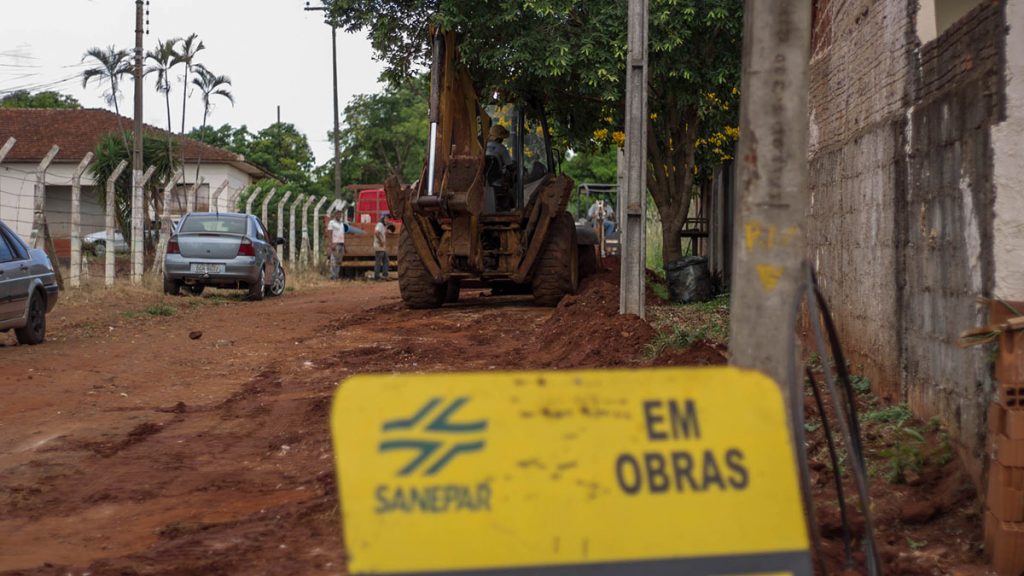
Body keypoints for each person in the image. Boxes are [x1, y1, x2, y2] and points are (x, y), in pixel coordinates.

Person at [327, 209, 345, 280]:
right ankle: (333, 275)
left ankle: (336, 275)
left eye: (340, 214)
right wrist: (331, 243)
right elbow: (329, 233)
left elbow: (342, 234)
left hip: (341, 243)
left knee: (339, 261)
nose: (339, 215)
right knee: (333, 260)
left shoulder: (341, 224)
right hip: (335, 244)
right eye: (338, 214)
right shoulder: (332, 223)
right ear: (335, 215)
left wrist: (344, 245)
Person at [373, 215, 389, 281]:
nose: (387, 220)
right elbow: (376, 232)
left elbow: (381, 233)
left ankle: (384, 275)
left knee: (386, 260)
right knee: (379, 262)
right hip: (379, 246)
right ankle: (377, 277)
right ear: (383, 218)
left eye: (388, 219)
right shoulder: (380, 224)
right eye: (386, 218)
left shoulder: (383, 226)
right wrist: (381, 241)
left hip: (382, 247)